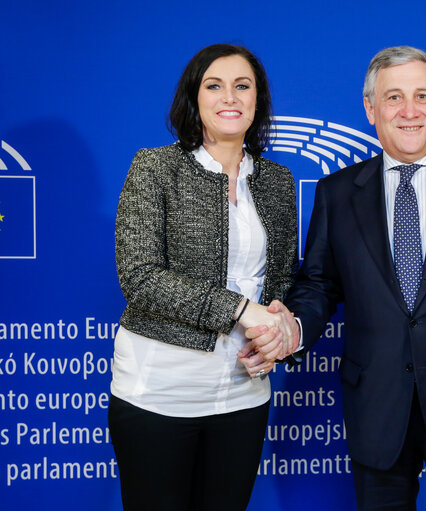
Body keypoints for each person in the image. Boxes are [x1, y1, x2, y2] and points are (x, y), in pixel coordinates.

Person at [247, 46, 426, 510]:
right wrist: (294, 328)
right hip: (377, 409)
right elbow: (319, 285)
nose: (410, 111)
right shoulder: (338, 193)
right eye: (394, 98)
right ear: (370, 109)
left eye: (422, 96)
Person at [109, 43, 297, 511]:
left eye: (242, 85)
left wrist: (278, 331)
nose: (229, 97)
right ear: (195, 98)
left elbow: (282, 280)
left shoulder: (278, 180)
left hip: (244, 394)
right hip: (159, 393)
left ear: (258, 100)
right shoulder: (155, 167)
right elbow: (141, 277)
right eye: (214, 86)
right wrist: (239, 309)